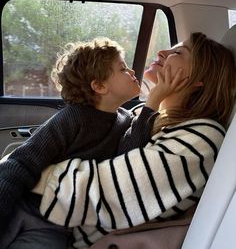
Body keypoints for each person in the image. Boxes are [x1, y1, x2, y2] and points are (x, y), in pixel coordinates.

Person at [33, 32, 235, 248]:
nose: (161, 52)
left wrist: (29, 170)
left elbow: (102, 193)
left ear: (199, 78)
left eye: (177, 52)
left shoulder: (200, 138)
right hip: (57, 221)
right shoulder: (145, 114)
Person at [0, 37, 171, 248]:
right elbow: (20, 164)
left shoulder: (127, 119)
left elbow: (127, 158)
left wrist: (152, 103)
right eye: (123, 68)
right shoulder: (72, 118)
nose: (133, 72)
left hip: (53, 226)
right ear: (99, 86)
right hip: (20, 205)